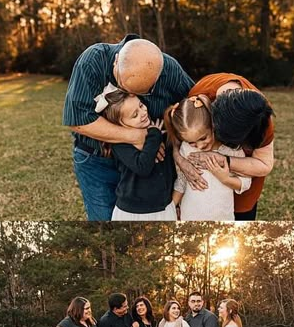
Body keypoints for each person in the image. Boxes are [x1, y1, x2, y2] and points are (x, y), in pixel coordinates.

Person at [63, 33, 193, 220]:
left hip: (152, 166)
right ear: (116, 61)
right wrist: (139, 137)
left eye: (141, 95)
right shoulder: (93, 60)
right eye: (124, 87)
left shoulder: (169, 69)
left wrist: (177, 150)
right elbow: (78, 119)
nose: (131, 97)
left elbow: (191, 108)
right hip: (98, 160)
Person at [185, 73, 276, 221]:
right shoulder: (200, 95)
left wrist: (224, 160)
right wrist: (180, 159)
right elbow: (180, 130)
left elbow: (264, 164)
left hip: (240, 188)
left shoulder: (261, 119)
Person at [96, 83, 177, 220]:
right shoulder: (121, 144)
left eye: (141, 105)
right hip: (133, 211)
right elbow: (142, 167)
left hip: (164, 206)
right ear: (120, 124)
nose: (143, 113)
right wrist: (154, 135)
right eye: (135, 115)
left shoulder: (158, 127)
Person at [166, 93, 251, 218]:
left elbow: (246, 183)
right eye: (192, 142)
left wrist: (225, 178)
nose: (200, 146)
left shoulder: (231, 150)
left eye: (203, 138)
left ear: (213, 125)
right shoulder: (186, 148)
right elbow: (181, 181)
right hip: (190, 216)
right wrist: (171, 209)